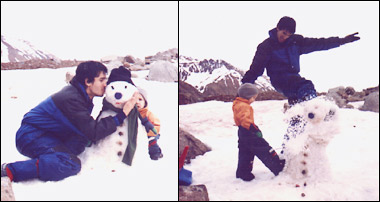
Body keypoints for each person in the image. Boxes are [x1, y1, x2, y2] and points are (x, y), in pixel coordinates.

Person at [1, 61, 139, 182]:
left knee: (79, 143)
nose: (106, 84)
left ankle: (48, 158)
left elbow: (87, 130)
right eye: (102, 80)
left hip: (47, 134)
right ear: (88, 82)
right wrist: (122, 114)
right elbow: (93, 132)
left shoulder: (80, 94)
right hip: (31, 136)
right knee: (70, 164)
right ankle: (9, 170)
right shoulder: (72, 99)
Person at [241, 16, 360, 105]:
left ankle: (294, 134)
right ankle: (314, 107)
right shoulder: (266, 46)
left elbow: (319, 43)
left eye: (289, 34)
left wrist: (341, 41)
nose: (285, 37)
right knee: (306, 86)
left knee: (297, 107)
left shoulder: (296, 42)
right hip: (279, 79)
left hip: (293, 77)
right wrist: (244, 88)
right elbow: (256, 69)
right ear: (277, 28)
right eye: (283, 33)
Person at [233, 83, 285, 181]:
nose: (254, 100)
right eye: (253, 97)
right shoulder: (244, 106)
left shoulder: (237, 103)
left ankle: (243, 172)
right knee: (263, 148)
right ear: (247, 96)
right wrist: (254, 129)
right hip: (248, 132)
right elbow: (245, 120)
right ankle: (277, 166)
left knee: (245, 152)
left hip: (242, 132)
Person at [136, 87, 163, 160]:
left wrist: (150, 133)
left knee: (151, 142)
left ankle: (156, 153)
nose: (137, 102)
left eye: (140, 99)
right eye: (135, 99)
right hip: (137, 135)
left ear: (145, 102)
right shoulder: (130, 113)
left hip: (149, 134)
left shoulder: (148, 114)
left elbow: (157, 125)